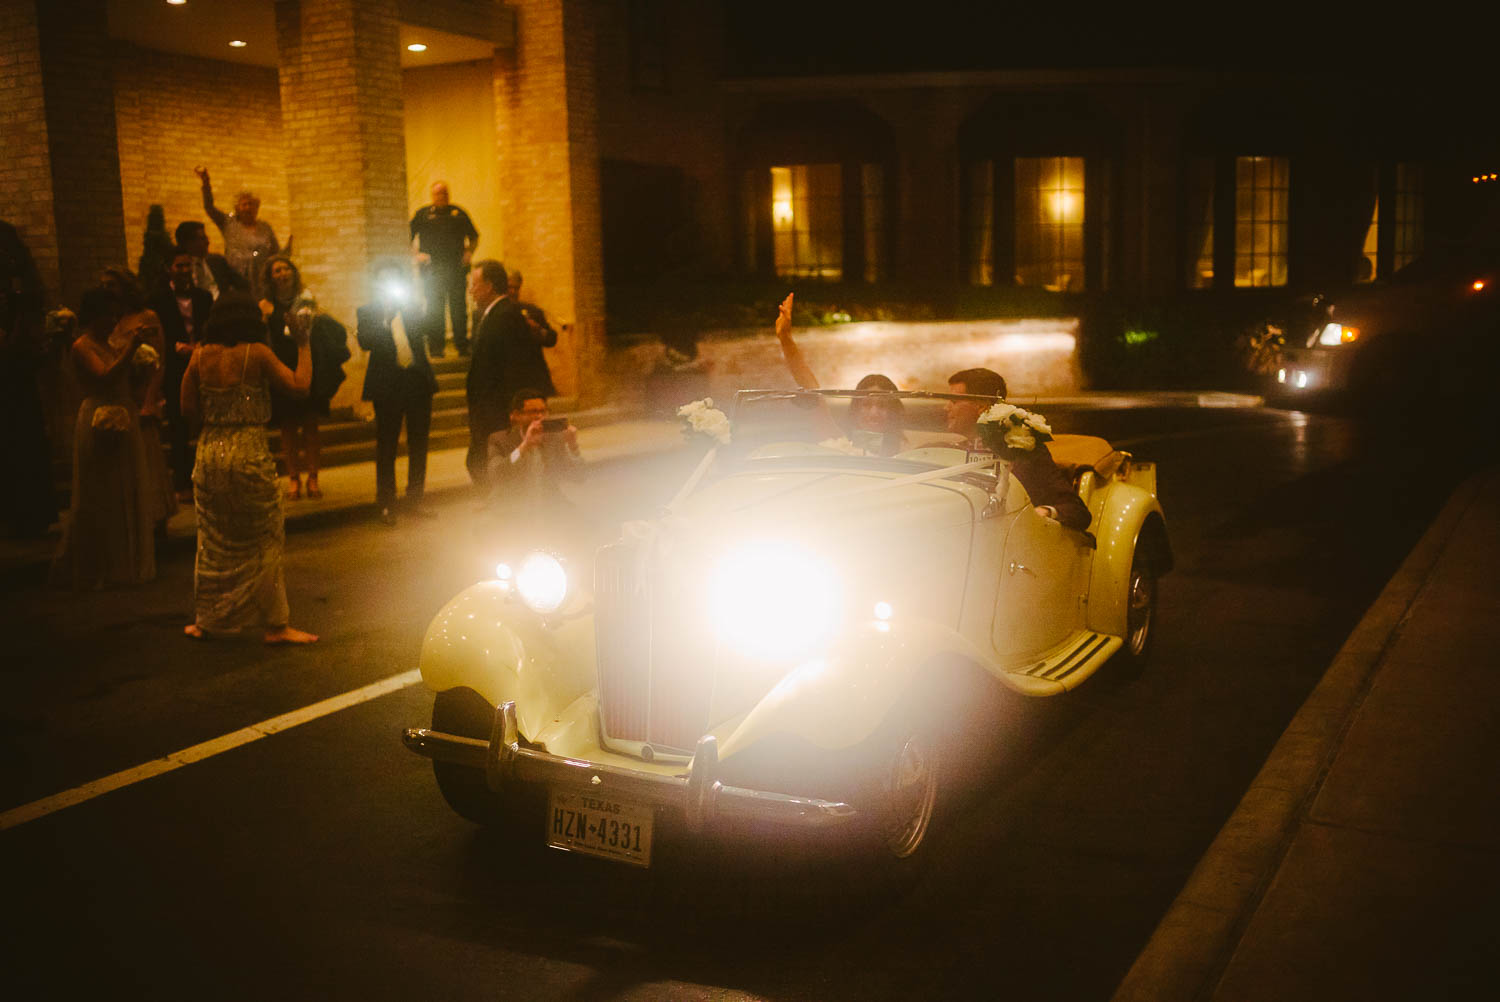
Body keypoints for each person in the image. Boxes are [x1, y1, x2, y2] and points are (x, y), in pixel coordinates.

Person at [179, 291, 317, 644]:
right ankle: (276, 624)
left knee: (213, 539)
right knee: (264, 538)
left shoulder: (198, 357)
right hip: (249, 452)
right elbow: (300, 387)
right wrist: (303, 343)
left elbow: (187, 411)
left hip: (210, 452)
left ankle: (206, 620)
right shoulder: (257, 353)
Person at [50, 285, 156, 588]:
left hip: (124, 414)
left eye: (115, 314)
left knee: (126, 486)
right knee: (101, 492)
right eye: (107, 315)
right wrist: (131, 349)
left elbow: (124, 382)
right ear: (93, 316)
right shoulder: (82, 346)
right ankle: (99, 566)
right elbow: (104, 376)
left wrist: (144, 374)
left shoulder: (111, 344)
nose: (112, 321)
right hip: (97, 418)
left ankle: (127, 563)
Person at [944, 367, 1092, 532]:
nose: (946, 408)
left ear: (981, 406)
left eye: (954, 401)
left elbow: (1077, 511)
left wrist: (1044, 511)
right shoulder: (947, 451)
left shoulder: (1024, 453)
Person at [773, 292, 908, 455]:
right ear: (855, 410)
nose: (874, 413)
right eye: (866, 405)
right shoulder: (843, 448)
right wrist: (786, 339)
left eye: (882, 406)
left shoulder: (909, 454)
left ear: (893, 412)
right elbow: (812, 391)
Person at [356, 260, 437, 526]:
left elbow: (429, 326)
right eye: (384, 279)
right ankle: (387, 503)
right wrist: (386, 320)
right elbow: (366, 342)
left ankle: (415, 499)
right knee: (387, 446)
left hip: (416, 382)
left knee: (419, 443)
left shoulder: (412, 307)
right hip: (387, 385)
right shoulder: (368, 311)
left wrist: (424, 288)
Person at [98, 267, 176, 529]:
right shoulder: (110, 320)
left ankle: (156, 517)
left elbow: (159, 362)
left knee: (148, 457)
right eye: (103, 285)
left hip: (142, 393)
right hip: (120, 395)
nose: (107, 290)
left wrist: (150, 401)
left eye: (112, 284)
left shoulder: (146, 317)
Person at [1, 220, 57, 537]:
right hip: (14, 359)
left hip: (16, 363)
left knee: (22, 434)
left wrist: (16, 336)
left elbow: (26, 301)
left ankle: (28, 513)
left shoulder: (18, 280)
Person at [485, 389, 589, 553]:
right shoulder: (499, 440)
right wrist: (524, 446)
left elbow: (579, 476)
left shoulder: (554, 438)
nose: (539, 417)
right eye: (533, 412)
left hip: (548, 506)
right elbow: (497, 474)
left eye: (543, 411)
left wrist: (573, 446)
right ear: (515, 416)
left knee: (585, 531)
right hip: (511, 508)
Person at [151, 245, 214, 501]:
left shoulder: (203, 297)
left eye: (188, 265)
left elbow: (212, 327)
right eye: (180, 266)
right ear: (169, 269)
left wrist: (201, 345)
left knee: (206, 422)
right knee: (178, 425)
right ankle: (182, 483)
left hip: (203, 363)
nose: (185, 270)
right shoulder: (157, 300)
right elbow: (154, 336)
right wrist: (174, 347)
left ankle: (209, 478)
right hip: (175, 367)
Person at [260, 255, 323, 500]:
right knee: (287, 428)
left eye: (286, 269)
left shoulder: (306, 299)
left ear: (293, 273)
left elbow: (313, 332)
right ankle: (294, 479)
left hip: (305, 362)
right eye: (277, 270)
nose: (282, 274)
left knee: (310, 426)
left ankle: (314, 477)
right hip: (281, 367)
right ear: (270, 277)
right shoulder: (265, 305)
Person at [464, 259, 530, 487]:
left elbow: (513, 367)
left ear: (489, 286)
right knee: (479, 460)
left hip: (496, 410)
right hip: (486, 409)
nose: (471, 291)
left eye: (474, 285)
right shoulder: (490, 314)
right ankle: (496, 501)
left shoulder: (506, 315)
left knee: (487, 460)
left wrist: (509, 409)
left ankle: (501, 503)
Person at [410, 181, 479, 356]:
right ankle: (436, 348)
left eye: (445, 193)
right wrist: (416, 255)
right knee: (434, 310)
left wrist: (469, 252)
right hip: (431, 271)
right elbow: (406, 235)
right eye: (438, 194)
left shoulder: (458, 213)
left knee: (459, 309)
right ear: (432, 196)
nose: (442, 197)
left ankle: (462, 346)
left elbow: (474, 236)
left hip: (455, 269)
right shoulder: (423, 215)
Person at [195, 166, 280, 299]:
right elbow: (209, 208)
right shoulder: (228, 223)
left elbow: (276, 253)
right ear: (237, 208)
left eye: (251, 204)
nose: (248, 208)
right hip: (235, 282)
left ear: (257, 207)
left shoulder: (265, 228)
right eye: (244, 204)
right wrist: (206, 184)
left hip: (262, 283)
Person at [174, 220, 247, 301]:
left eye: (206, 238)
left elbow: (244, 285)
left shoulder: (217, 261)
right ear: (188, 243)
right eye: (202, 238)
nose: (207, 242)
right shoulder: (180, 270)